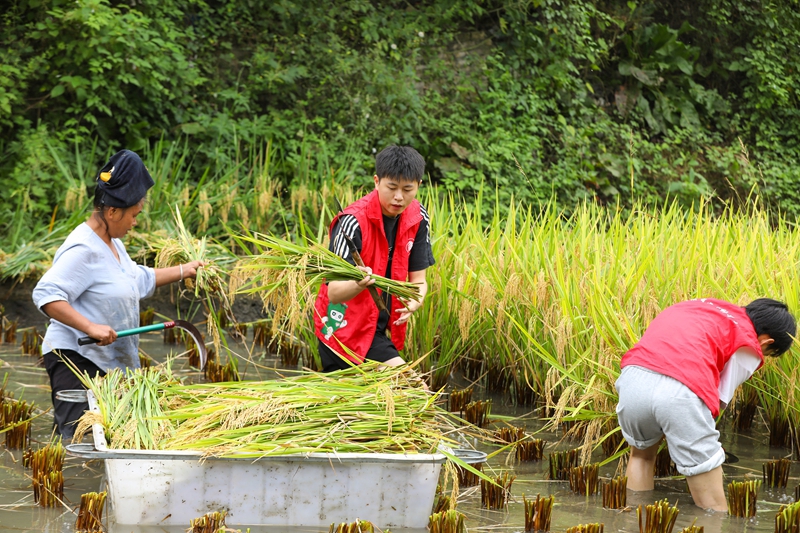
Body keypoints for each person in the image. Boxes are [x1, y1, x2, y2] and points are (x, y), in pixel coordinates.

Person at [32, 149, 204, 440]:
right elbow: (46, 294)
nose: (135, 222)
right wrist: (91, 327)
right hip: (78, 360)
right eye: (134, 215)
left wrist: (183, 270)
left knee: (111, 441)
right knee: (81, 444)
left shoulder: (112, 243)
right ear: (112, 211)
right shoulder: (84, 249)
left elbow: (137, 279)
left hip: (108, 367)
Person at [615, 297, 796, 511]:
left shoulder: (696, 305)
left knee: (641, 456)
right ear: (767, 341)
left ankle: (633, 521)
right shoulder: (749, 343)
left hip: (633, 379)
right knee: (712, 502)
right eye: (767, 353)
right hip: (680, 390)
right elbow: (719, 400)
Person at [314, 145, 434, 372]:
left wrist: (415, 300)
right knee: (411, 390)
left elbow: (419, 279)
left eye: (407, 189)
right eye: (392, 188)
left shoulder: (418, 217)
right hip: (343, 327)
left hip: (378, 326)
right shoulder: (351, 222)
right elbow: (334, 292)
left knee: (360, 404)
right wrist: (358, 283)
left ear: (418, 185)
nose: (399, 197)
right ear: (376, 181)